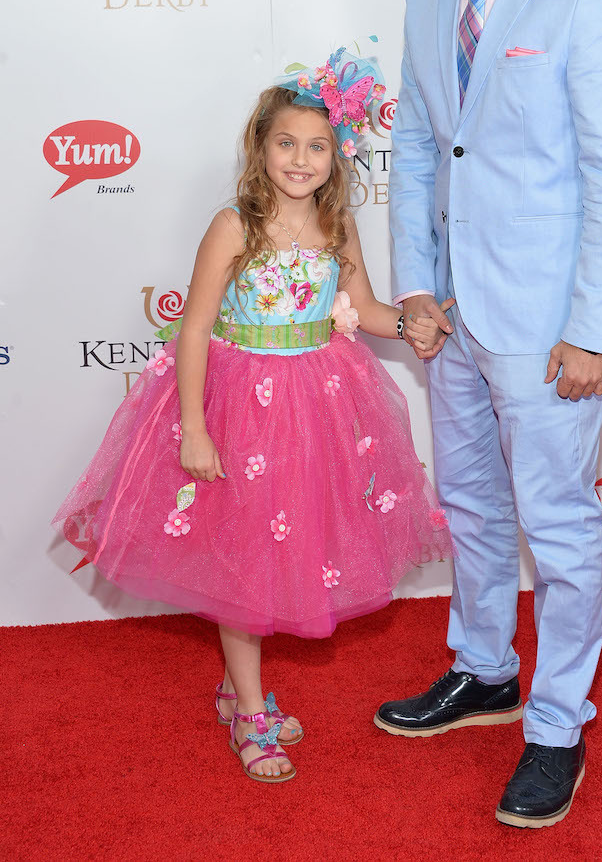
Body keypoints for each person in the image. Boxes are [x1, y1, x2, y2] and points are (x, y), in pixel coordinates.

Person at [376, 0, 602, 828]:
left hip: (547, 328)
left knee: (559, 526)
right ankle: (483, 669)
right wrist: (411, 283)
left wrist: (591, 329)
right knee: (476, 513)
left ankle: (555, 723)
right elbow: (413, 141)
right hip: (447, 313)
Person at [54, 48, 451, 784]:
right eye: (286, 143)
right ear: (260, 147)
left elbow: (362, 312)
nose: (300, 160)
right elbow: (195, 329)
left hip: (317, 407)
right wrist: (197, 427)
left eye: (317, 147)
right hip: (241, 411)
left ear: (339, 156)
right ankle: (248, 704)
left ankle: (237, 697)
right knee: (245, 564)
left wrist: (414, 325)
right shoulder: (234, 226)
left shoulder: (337, 227)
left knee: (289, 549)